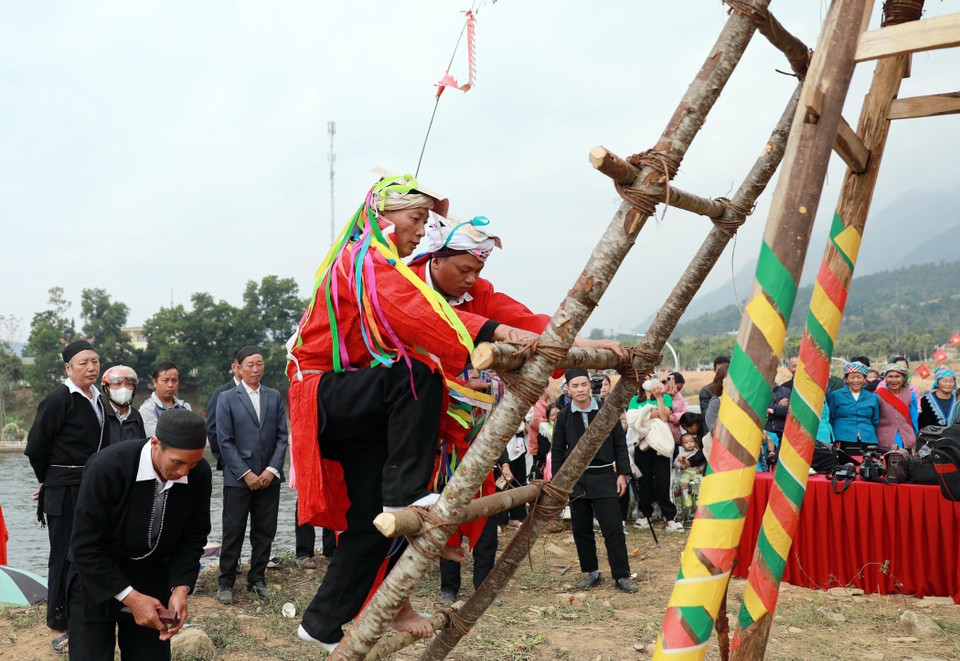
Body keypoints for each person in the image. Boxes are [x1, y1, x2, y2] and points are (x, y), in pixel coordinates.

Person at [288, 176, 537, 650]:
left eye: (427, 222)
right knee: (417, 374)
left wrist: (565, 341)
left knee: (368, 523)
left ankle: (320, 624)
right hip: (322, 391)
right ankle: (408, 495)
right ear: (385, 216)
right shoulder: (365, 259)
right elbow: (421, 316)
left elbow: (517, 318)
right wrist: (500, 334)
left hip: (364, 405)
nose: (421, 230)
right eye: (416, 218)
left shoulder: (406, 271)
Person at [66, 410, 211, 661]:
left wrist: (180, 588)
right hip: (94, 574)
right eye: (177, 462)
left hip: (151, 574)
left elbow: (193, 536)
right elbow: (85, 545)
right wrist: (130, 597)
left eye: (193, 463)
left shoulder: (198, 474)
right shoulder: (107, 466)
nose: (184, 472)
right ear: (155, 444)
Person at [25, 339, 106, 653]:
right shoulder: (60, 398)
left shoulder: (99, 398)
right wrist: (49, 480)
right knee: (62, 555)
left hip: (91, 487)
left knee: (88, 552)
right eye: (83, 362)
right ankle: (58, 625)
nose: (90, 367)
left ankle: (83, 613)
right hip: (64, 488)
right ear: (68, 368)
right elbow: (35, 447)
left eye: (94, 361)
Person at [551, 369, 637, 593]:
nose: (580, 389)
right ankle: (592, 573)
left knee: (613, 529)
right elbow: (557, 451)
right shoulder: (563, 415)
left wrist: (622, 475)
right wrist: (559, 485)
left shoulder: (606, 411)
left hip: (605, 476)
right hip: (576, 481)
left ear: (591, 386)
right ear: (567, 389)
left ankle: (621, 575)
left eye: (583, 384)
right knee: (581, 529)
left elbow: (620, 443)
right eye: (575, 385)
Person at [216, 346, 288, 604]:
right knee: (233, 529)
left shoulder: (274, 396)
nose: (256, 369)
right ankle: (225, 582)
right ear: (238, 367)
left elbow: (282, 436)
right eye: (250, 364)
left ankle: (257, 578)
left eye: (259, 364)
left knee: (265, 529)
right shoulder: (227, 398)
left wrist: (271, 470)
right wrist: (245, 473)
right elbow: (225, 442)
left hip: (270, 476)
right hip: (238, 477)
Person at [627, 379, 681, 532]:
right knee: (643, 481)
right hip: (642, 445)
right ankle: (645, 514)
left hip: (660, 445)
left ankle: (669, 516)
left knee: (664, 480)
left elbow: (664, 416)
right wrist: (651, 413)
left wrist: (658, 398)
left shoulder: (665, 398)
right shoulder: (634, 400)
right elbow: (632, 419)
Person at [825, 361, 879, 450]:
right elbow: (831, 417)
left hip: (868, 438)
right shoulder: (836, 395)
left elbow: (875, 421)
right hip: (842, 437)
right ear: (846, 379)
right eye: (852, 377)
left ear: (865, 379)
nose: (856, 380)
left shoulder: (872, 397)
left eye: (859, 377)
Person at [205, 355, 242, 470]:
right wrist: (223, 458)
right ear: (234, 367)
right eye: (248, 365)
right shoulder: (222, 393)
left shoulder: (262, 393)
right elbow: (212, 429)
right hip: (231, 464)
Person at [139, 363, 191, 438]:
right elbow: (157, 438)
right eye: (165, 380)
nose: (170, 385)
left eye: (174, 380)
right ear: (155, 382)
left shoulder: (185, 407)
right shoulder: (147, 409)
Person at [875, 363, 919, 451]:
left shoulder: (911, 395)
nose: (894, 380)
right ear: (886, 379)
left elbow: (914, 419)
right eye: (890, 376)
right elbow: (875, 419)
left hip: (906, 440)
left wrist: (915, 436)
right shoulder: (878, 395)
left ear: (903, 379)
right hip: (884, 441)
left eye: (897, 376)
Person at [100, 365, 146, 445]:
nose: (123, 388)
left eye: (128, 384)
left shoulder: (136, 416)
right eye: (118, 384)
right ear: (106, 388)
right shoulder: (100, 413)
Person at [765, 356, 797, 436]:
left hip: (783, 434)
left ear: (776, 373)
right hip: (765, 434)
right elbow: (760, 410)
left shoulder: (785, 391)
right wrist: (778, 406)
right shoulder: (758, 393)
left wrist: (770, 409)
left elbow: (788, 410)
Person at [663, 371, 688, 443]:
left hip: (675, 435)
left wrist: (671, 417)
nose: (676, 391)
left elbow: (685, 413)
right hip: (663, 434)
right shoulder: (660, 394)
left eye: (679, 390)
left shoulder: (679, 396)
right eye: (676, 388)